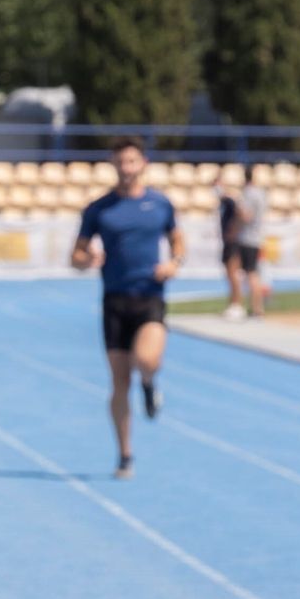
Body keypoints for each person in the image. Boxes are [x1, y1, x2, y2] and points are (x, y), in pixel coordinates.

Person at [70, 138, 185, 480]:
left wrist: (174, 262)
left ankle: (149, 383)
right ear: (113, 164)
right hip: (115, 301)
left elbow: (178, 240)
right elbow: (75, 256)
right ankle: (125, 455)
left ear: (143, 163)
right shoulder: (99, 209)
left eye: (132, 161)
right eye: (121, 162)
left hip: (149, 296)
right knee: (119, 383)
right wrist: (87, 258)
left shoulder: (160, 204)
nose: (126, 168)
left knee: (146, 360)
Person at [237, 166, 269, 318]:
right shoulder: (261, 193)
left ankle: (257, 308)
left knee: (251, 274)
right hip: (257, 237)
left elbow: (246, 216)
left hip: (248, 238)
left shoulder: (248, 194)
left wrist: (237, 209)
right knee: (254, 273)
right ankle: (257, 308)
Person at [215, 172, 244, 319]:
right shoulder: (223, 202)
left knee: (233, 274)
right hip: (227, 241)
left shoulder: (229, 201)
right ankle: (232, 304)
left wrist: (233, 231)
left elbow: (240, 214)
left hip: (232, 241)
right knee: (229, 274)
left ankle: (237, 304)